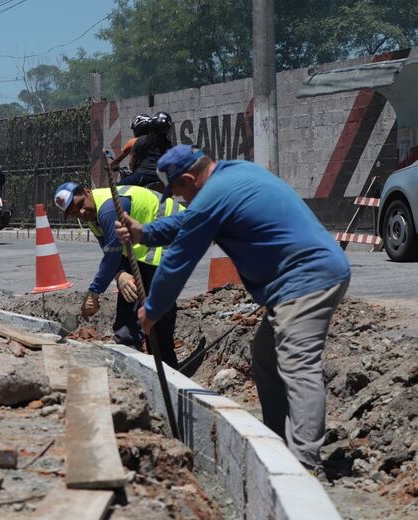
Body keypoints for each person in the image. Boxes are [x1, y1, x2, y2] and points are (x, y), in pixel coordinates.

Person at [116, 144, 351, 473]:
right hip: (308, 275)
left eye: (179, 191)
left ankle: (303, 463)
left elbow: (178, 260)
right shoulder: (234, 175)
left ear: (189, 178)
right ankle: (277, 440)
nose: (180, 199)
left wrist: (152, 309)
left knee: (299, 364)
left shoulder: (214, 196)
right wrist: (144, 233)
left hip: (305, 281)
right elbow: (188, 222)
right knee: (266, 357)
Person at [53, 181, 184, 367]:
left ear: (88, 192)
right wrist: (120, 274)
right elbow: (108, 249)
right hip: (142, 243)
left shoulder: (109, 208)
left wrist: (94, 292)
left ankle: (166, 363)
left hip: (169, 233)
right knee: (129, 292)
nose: (81, 213)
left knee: (157, 304)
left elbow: (113, 253)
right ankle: (128, 352)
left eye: (81, 205)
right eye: (75, 213)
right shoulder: (92, 217)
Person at [118, 111, 173, 187]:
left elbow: (132, 163)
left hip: (142, 176)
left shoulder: (141, 141)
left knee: (118, 187)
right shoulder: (169, 145)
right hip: (162, 179)